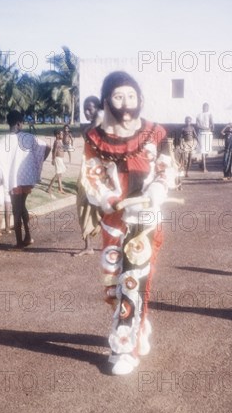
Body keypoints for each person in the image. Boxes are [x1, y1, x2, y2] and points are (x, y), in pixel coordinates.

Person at [80, 71, 172, 375]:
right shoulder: (94, 138)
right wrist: (107, 197)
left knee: (133, 283)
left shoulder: (156, 132)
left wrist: (158, 187)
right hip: (113, 221)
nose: (126, 103)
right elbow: (91, 176)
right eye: (118, 96)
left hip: (144, 221)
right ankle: (138, 323)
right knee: (111, 287)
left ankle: (124, 349)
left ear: (140, 98)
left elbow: (166, 167)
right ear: (107, 100)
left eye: (131, 95)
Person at [0, 110, 50, 249]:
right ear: (19, 123)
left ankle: (19, 242)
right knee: (21, 207)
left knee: (16, 209)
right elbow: (47, 147)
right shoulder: (29, 137)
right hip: (27, 179)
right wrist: (37, 164)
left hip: (14, 181)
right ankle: (28, 237)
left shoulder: (3, 141)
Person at [74, 96, 103, 256]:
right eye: (84, 108)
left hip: (102, 169)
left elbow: (99, 119)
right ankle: (88, 245)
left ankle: (116, 243)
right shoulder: (91, 126)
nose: (86, 112)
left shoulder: (101, 122)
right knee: (83, 204)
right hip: (87, 168)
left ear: (98, 109)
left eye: (89, 108)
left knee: (105, 206)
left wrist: (99, 113)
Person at [47, 130, 71, 195]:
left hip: (60, 159)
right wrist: (53, 159)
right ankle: (49, 187)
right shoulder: (57, 142)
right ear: (57, 135)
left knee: (60, 175)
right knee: (58, 174)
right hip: (57, 159)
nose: (62, 135)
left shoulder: (60, 142)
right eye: (61, 134)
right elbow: (54, 151)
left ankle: (60, 189)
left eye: (62, 134)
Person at [176, 116, 198, 185]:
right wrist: (180, 144)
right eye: (187, 121)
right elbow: (180, 137)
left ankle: (187, 172)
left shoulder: (192, 128)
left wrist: (198, 144)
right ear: (185, 121)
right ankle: (184, 170)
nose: (188, 122)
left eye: (189, 121)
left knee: (190, 158)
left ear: (191, 122)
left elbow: (195, 136)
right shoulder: (183, 128)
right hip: (185, 144)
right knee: (185, 158)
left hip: (191, 143)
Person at [196, 102, 214, 172]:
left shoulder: (210, 114)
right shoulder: (198, 115)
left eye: (207, 107)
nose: (206, 108)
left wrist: (211, 128)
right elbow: (197, 125)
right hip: (201, 132)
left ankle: (201, 163)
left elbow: (212, 123)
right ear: (202, 107)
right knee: (202, 150)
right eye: (205, 106)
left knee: (207, 150)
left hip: (208, 133)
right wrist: (204, 128)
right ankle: (204, 168)